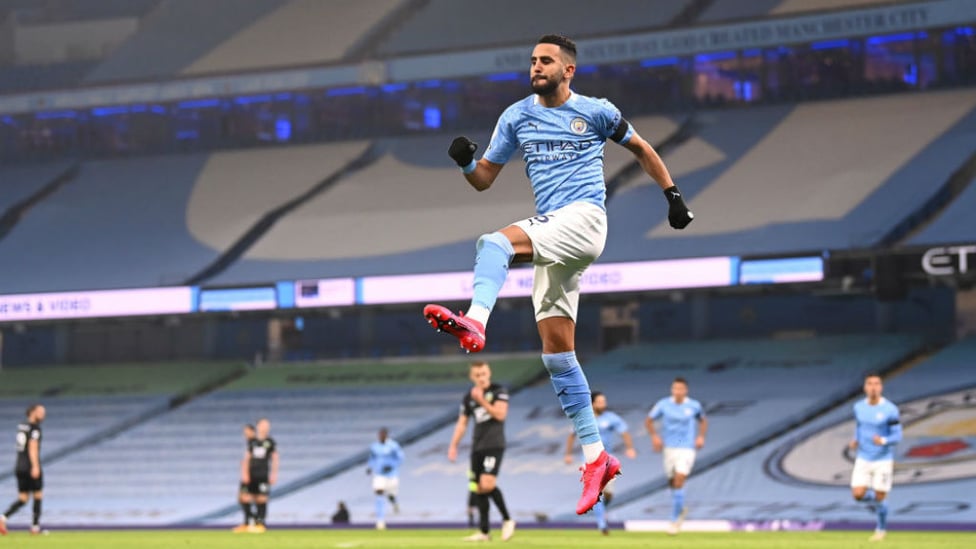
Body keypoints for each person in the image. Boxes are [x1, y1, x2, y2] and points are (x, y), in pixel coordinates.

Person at [422, 33, 693, 515]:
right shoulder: (515, 116)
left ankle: (476, 320)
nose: (536, 67)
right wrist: (465, 160)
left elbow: (641, 147)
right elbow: (484, 179)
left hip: (585, 219)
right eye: (532, 61)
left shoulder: (597, 110)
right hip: (556, 241)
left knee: (495, 243)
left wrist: (673, 196)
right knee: (557, 355)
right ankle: (596, 458)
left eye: (545, 61)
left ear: (568, 69)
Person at [448, 361, 516, 542]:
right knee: (477, 488)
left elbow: (500, 415)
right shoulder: (468, 397)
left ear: (489, 373)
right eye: (477, 375)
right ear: (472, 377)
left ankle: (508, 520)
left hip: (494, 445)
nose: (481, 378)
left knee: (487, 484)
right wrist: (453, 445)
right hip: (477, 446)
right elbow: (462, 423)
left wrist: (482, 401)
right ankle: (484, 532)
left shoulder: (499, 391)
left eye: (483, 373)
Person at [564, 391, 637, 534]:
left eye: (604, 402)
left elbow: (625, 432)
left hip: (607, 460)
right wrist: (568, 454)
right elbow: (572, 435)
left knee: (608, 494)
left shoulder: (611, 418)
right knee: (596, 491)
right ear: (592, 404)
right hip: (590, 460)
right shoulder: (584, 418)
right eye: (600, 402)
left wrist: (630, 448)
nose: (603, 404)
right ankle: (602, 524)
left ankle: (602, 510)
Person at [646, 377, 706, 535]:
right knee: (672, 482)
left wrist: (700, 436)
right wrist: (654, 437)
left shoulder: (694, 405)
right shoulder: (663, 404)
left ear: (686, 390)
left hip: (686, 448)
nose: (677, 391)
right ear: (672, 390)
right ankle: (680, 508)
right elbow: (649, 420)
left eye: (680, 389)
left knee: (679, 479)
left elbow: (703, 420)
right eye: (675, 388)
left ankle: (673, 520)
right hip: (669, 448)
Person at [850, 372, 901, 542]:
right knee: (858, 495)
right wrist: (856, 440)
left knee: (880, 496)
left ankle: (881, 529)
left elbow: (897, 436)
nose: (873, 387)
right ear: (865, 387)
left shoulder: (890, 409)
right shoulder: (858, 407)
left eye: (876, 384)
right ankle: (878, 500)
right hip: (863, 457)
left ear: (881, 387)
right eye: (870, 384)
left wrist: (884, 440)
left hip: (883, 459)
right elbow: (859, 426)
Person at [0, 404, 46, 536]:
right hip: (30, 466)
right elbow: (33, 447)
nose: (43, 415)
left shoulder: (21, 426)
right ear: (32, 412)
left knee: (23, 498)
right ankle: (35, 527)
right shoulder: (35, 429)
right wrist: (36, 466)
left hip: (19, 466)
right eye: (40, 412)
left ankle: (3, 517)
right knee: (38, 495)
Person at [241, 418, 278, 533]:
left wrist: (274, 474)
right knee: (244, 497)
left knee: (261, 498)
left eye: (267, 425)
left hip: (263, 474)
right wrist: (244, 473)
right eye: (263, 425)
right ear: (258, 426)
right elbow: (246, 458)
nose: (265, 427)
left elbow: (275, 458)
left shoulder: (270, 442)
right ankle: (248, 522)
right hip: (251, 473)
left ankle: (260, 523)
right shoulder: (252, 442)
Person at [367, 427, 404, 530]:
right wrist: (370, 467)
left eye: (382, 435)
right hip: (379, 475)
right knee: (379, 493)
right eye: (379, 435)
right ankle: (380, 521)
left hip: (392, 475)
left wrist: (392, 465)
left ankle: (394, 502)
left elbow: (401, 458)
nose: (381, 437)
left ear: (386, 435)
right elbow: (372, 458)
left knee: (391, 495)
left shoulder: (393, 446)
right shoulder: (374, 446)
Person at [232, 424, 257, 533]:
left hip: (250, 475)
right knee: (242, 498)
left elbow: (251, 459)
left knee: (245, 497)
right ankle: (249, 521)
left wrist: (245, 470)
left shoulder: (254, 443)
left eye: (246, 431)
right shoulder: (251, 443)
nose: (245, 433)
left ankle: (252, 521)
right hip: (249, 474)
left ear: (252, 431)